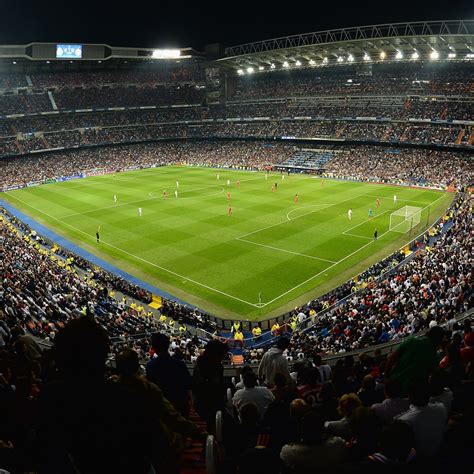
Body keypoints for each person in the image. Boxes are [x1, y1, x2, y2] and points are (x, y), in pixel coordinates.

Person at [146, 333, 193, 417]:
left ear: (154, 348)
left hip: (161, 409)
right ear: (167, 346)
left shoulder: (150, 366)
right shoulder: (180, 364)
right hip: (179, 406)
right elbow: (188, 387)